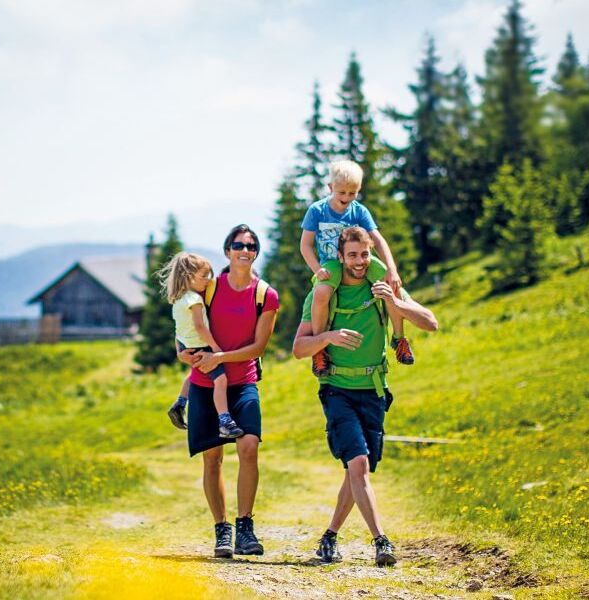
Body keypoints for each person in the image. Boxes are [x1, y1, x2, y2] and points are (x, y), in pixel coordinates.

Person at [293, 226, 438, 567]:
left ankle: (329, 536)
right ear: (340, 257)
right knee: (358, 464)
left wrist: (394, 300)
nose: (359, 262)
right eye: (352, 256)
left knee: (356, 472)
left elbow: (431, 323)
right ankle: (381, 541)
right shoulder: (325, 292)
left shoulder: (380, 285)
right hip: (337, 390)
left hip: (374, 391)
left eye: (364, 254)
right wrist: (328, 337)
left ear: (370, 253)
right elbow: (299, 348)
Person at [166, 224, 280, 558]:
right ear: (227, 251)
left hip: (243, 381)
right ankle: (222, 530)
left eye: (251, 245)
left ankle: (245, 527)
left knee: (248, 447)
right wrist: (180, 351)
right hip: (204, 382)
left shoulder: (265, 295)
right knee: (212, 459)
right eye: (238, 244)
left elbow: (258, 347)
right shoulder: (209, 287)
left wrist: (220, 357)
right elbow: (185, 322)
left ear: (256, 252)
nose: (245, 249)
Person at [301, 160, 415, 376]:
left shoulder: (359, 211)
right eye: (341, 192)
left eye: (352, 193)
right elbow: (305, 245)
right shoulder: (317, 211)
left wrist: (392, 269)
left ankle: (399, 338)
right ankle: (319, 349)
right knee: (322, 292)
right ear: (330, 188)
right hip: (332, 263)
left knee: (391, 286)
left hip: (362, 259)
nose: (346, 198)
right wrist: (317, 269)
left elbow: (378, 240)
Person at [158, 251, 241, 438]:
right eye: (204, 276)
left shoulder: (178, 299)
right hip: (200, 345)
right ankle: (225, 421)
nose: (207, 280)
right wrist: (215, 347)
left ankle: (180, 403)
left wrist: (180, 348)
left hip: (186, 343)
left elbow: (180, 327)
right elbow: (200, 326)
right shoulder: (195, 300)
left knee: (194, 373)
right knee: (221, 380)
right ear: (188, 276)